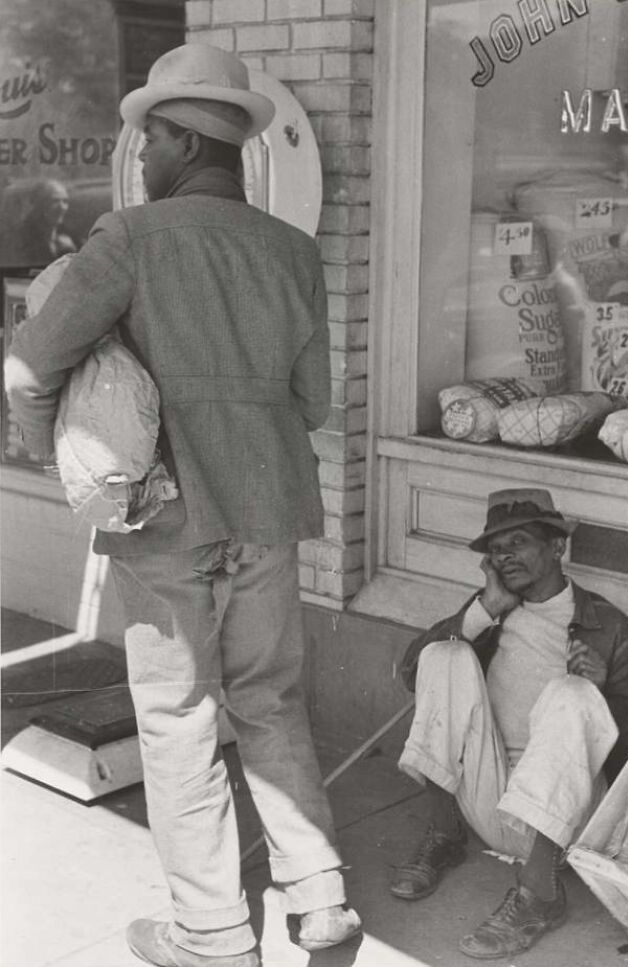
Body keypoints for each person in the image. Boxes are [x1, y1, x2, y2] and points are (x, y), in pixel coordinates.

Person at [5, 44, 361, 967]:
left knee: (179, 716)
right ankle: (319, 898)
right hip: (270, 506)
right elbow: (315, 404)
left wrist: (62, 450)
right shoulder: (291, 250)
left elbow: (29, 361)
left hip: (162, 515)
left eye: (149, 138)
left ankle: (209, 930)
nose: (143, 157)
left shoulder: (129, 239)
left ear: (181, 140)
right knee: (271, 698)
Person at [391, 488, 628, 960]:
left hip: (568, 821)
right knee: (446, 653)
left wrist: (602, 693)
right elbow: (414, 672)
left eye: (517, 543)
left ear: (558, 547)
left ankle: (539, 893)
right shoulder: (492, 612)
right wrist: (481, 613)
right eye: (496, 551)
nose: (505, 557)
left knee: (570, 691)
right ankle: (444, 834)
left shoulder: (612, 629)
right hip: (490, 801)